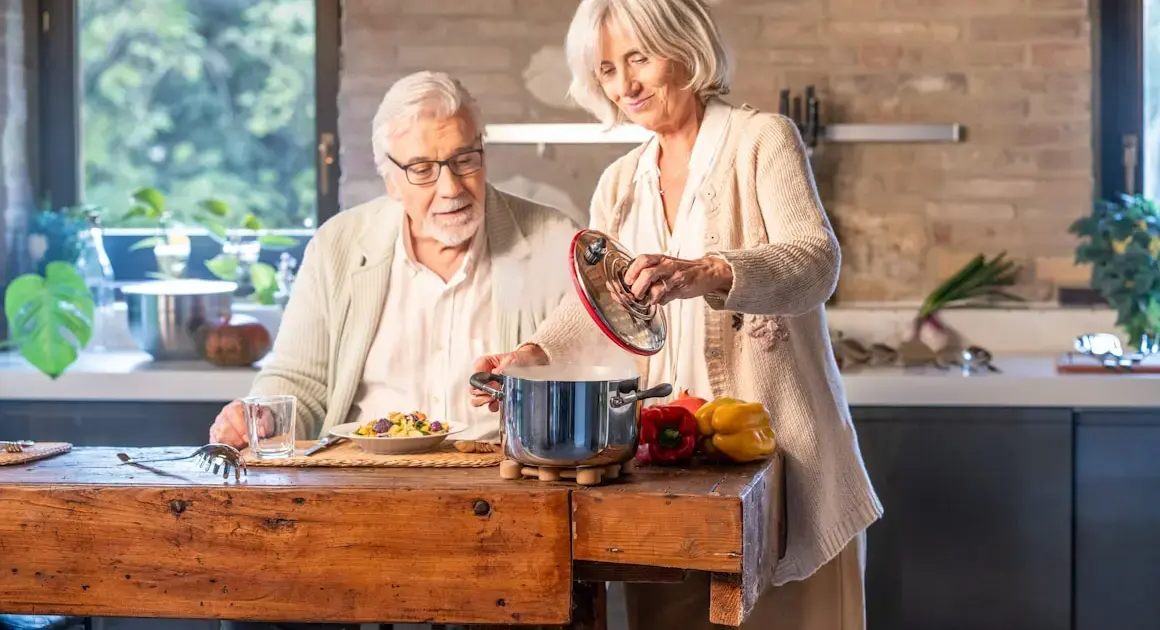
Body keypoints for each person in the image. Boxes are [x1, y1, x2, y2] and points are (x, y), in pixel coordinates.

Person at [470, 1, 883, 629]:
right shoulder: (620, 182)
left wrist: (710, 271)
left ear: (686, 48)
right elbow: (599, 310)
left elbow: (817, 262)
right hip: (667, 469)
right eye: (608, 69)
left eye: (639, 58)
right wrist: (532, 358)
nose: (624, 85)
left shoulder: (761, 140)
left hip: (780, 465)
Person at [209, 70, 579, 457]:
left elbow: (594, 368)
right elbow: (300, 380)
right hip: (363, 483)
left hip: (501, 483)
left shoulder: (554, 241)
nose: (450, 188)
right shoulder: (337, 245)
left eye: (464, 160)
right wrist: (264, 414)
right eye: (421, 169)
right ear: (390, 180)